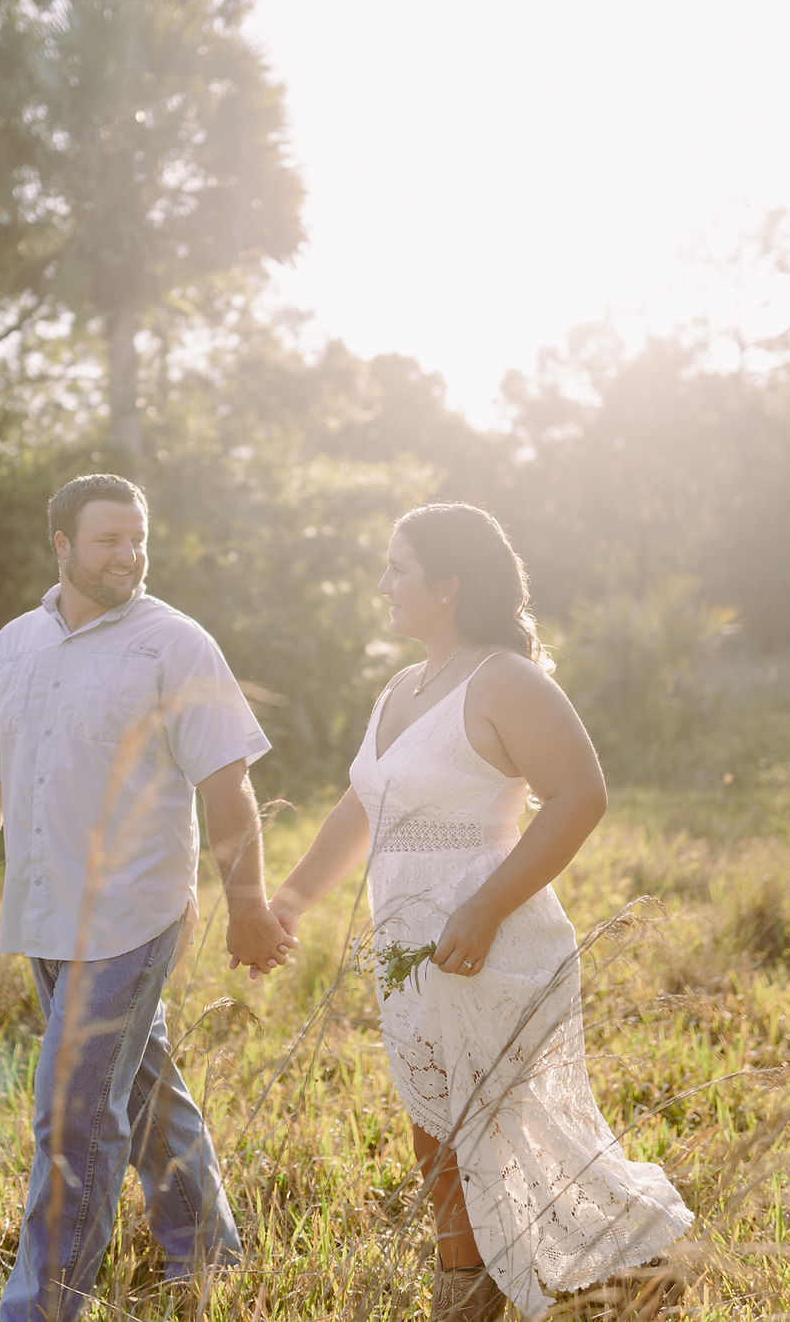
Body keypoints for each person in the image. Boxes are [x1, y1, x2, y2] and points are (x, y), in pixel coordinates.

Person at [267, 503, 693, 1322]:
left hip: (490, 936)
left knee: (509, 1123)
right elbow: (364, 805)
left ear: (450, 583)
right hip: (407, 942)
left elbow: (581, 796)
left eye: (398, 567)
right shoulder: (401, 687)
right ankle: (466, 1292)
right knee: (436, 1126)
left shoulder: (504, 678)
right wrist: (290, 899)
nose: (383, 583)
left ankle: (644, 1267)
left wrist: (488, 907)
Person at [0, 473, 295, 1322]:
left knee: (71, 1118)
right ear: (60, 545)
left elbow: (227, 787)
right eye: (107, 540)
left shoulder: (177, 644)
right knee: (139, 1090)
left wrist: (247, 903)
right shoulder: (16, 643)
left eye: (137, 538)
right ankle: (205, 1251)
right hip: (46, 909)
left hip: (134, 912)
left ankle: (39, 1308)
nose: (129, 555)